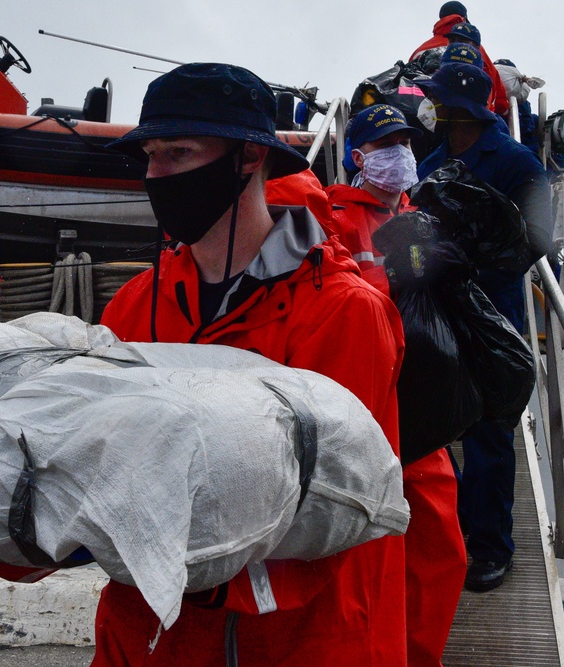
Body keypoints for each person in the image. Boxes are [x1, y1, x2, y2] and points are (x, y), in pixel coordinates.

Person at [96, 63, 408, 665]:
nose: (156, 175)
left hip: (296, 641)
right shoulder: (135, 304)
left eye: (179, 153)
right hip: (147, 639)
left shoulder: (343, 313)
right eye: (151, 156)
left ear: (247, 159)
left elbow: (329, 504)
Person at [325, 104, 467, 666]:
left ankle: (418, 656)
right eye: (387, 145)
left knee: (439, 546)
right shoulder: (333, 216)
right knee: (365, 552)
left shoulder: (419, 212)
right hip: (359, 403)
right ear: (359, 157)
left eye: (405, 143)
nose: (400, 155)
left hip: (417, 403)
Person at [415, 62, 553, 592]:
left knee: (490, 438)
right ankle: (448, 539)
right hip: (438, 319)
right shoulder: (430, 163)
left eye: (439, 101)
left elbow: (538, 237)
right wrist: (419, 261)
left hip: (492, 320)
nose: (432, 109)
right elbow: (408, 234)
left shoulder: (517, 163)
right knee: (434, 433)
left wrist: (474, 261)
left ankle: (491, 548)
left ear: (464, 109)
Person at [409, 7, 509, 117]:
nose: (457, 46)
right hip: (462, 118)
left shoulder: (421, 50)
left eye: (462, 41)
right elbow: (499, 95)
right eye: (452, 41)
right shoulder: (479, 52)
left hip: (431, 113)